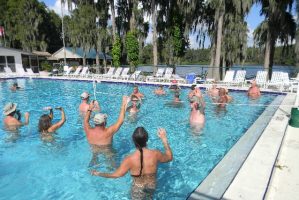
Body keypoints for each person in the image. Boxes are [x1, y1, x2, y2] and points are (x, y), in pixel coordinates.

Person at [90, 127, 173, 200]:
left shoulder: (129, 159)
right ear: (147, 139)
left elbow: (116, 175)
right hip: (151, 186)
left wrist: (98, 173)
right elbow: (169, 157)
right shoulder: (155, 154)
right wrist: (164, 139)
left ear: (133, 140)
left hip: (138, 188)